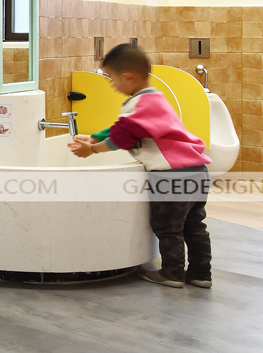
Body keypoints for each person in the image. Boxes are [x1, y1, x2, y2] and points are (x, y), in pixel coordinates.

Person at [71, 43, 212, 289]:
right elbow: (122, 127)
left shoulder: (137, 104)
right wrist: (94, 137)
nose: (113, 85)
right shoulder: (154, 98)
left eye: (112, 79)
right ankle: (201, 274)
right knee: (194, 226)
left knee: (168, 228)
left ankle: (172, 273)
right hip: (197, 171)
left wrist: (91, 149)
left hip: (170, 175)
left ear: (128, 77)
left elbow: (120, 138)